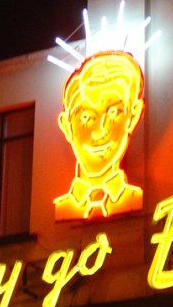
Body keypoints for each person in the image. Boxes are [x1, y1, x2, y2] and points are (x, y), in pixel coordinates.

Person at [54, 50, 145, 220]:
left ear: (133, 116)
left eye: (113, 112)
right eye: (86, 117)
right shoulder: (63, 207)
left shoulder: (134, 197)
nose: (100, 131)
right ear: (66, 126)